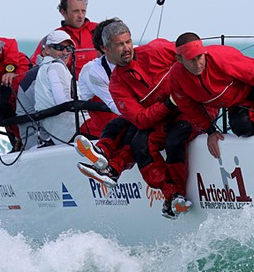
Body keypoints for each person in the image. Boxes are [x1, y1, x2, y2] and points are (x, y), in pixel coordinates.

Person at [74, 21, 195, 219]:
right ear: (105, 49)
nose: (126, 48)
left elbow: (194, 55)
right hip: (163, 115)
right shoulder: (114, 82)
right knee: (139, 140)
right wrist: (168, 104)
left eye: (128, 42)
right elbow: (139, 118)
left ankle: (109, 164)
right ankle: (172, 196)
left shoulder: (157, 50)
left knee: (169, 139)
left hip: (191, 108)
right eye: (119, 45)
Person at [30, 0, 99, 77]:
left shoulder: (98, 31)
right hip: (67, 87)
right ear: (63, 12)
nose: (80, 16)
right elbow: (34, 67)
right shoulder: (54, 38)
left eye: (83, 11)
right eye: (76, 11)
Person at [76, 18, 121, 138]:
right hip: (103, 130)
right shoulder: (91, 70)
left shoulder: (127, 61)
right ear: (104, 46)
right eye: (117, 42)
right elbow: (115, 104)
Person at [34, 30, 79, 145]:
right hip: (70, 130)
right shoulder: (56, 67)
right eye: (59, 47)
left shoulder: (44, 68)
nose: (65, 52)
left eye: (69, 48)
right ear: (48, 49)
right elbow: (62, 101)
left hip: (57, 132)